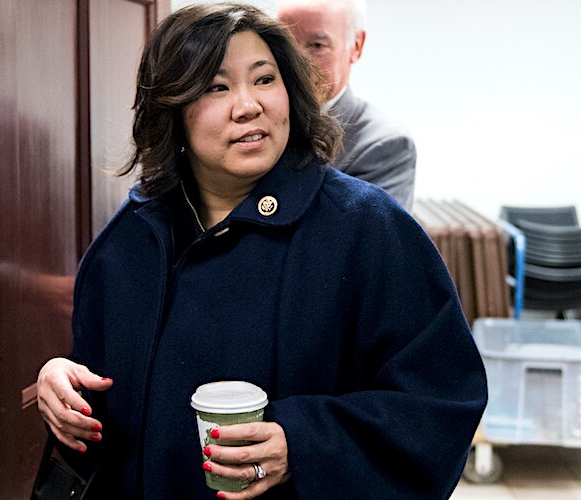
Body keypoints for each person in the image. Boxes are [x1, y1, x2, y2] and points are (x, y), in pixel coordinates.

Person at [35, 3, 486, 499]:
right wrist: (63, 383)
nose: (248, 105)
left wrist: (303, 444)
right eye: (216, 86)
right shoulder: (135, 229)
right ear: (172, 109)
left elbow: (441, 402)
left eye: (264, 79)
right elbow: (100, 375)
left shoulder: (366, 227)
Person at [277, 0, 417, 211]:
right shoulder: (253, 122)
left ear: (356, 46)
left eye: (317, 46)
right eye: (285, 43)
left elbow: (365, 240)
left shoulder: (384, 145)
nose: (295, 63)